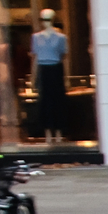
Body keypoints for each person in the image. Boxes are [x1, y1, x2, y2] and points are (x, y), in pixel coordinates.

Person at [30, 9, 68, 141]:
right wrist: (33, 77)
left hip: (56, 69)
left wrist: (66, 78)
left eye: (47, 20)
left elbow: (64, 57)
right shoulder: (36, 37)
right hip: (43, 69)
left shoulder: (61, 38)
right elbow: (35, 58)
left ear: (52, 20)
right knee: (44, 102)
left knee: (57, 101)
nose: (45, 23)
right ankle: (47, 133)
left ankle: (58, 132)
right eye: (43, 20)